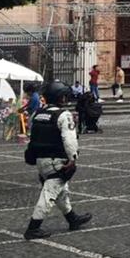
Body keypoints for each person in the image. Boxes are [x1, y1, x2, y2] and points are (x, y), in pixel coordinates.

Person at [23, 81, 91, 239]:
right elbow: (69, 140)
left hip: (41, 160)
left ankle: (72, 219)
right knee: (49, 194)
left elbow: (32, 135)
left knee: (60, 191)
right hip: (56, 161)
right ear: (61, 97)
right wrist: (73, 158)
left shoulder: (38, 113)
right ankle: (33, 228)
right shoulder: (63, 115)